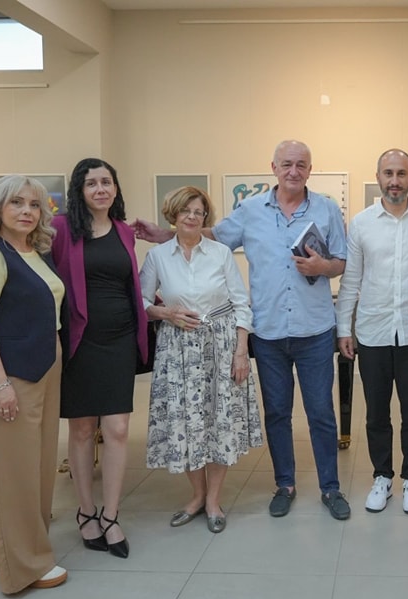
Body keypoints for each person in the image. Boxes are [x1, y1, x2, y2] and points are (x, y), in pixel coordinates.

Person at [135, 140, 350, 520]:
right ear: (274, 167)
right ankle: (285, 484)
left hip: (314, 329)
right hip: (267, 331)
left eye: (301, 164)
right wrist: (162, 235)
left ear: (310, 169)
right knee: (277, 413)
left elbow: (341, 262)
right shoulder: (250, 211)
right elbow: (207, 235)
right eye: (287, 164)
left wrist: (323, 268)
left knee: (321, 413)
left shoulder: (327, 209)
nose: (294, 171)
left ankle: (330, 488)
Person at [0, 175, 67, 593]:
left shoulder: (34, 253)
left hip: (42, 371)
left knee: (32, 469)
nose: (26, 211)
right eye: (16, 203)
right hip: (8, 377)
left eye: (34, 204)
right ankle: (25, 565)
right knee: (13, 475)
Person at [139, 186, 262, 533]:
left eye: (199, 212)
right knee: (188, 423)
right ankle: (197, 495)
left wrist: (241, 352)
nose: (192, 217)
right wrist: (166, 313)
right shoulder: (158, 257)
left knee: (220, 422)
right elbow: (141, 303)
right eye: (186, 211)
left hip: (221, 347)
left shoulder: (221, 253)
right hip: (177, 350)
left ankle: (213, 500)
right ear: (173, 215)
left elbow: (241, 304)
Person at [51, 158, 149, 559]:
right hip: (79, 342)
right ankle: (85, 511)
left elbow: (130, 284)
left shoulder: (124, 231)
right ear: (80, 191)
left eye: (106, 182)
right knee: (81, 430)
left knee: (118, 429)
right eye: (91, 183)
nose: (100, 189)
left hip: (119, 340)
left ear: (115, 188)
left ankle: (110, 515)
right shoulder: (61, 229)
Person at [336, 149, 408, 515]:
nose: (395, 181)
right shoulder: (361, 223)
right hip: (373, 332)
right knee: (376, 413)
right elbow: (351, 280)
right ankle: (382, 477)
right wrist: (343, 328)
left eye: (401, 173)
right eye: (388, 173)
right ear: (378, 176)